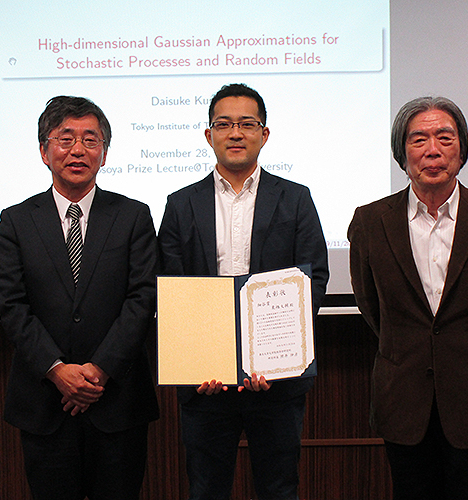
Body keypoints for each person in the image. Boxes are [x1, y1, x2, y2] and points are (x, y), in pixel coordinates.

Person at [348, 96, 468, 500]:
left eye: (444, 137)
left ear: (461, 149)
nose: (433, 150)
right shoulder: (370, 222)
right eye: (419, 139)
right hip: (403, 397)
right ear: (402, 153)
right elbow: (371, 305)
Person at [157, 83, 329, 500]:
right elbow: (170, 286)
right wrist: (197, 362)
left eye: (247, 124)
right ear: (208, 135)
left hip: (276, 383)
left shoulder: (296, 199)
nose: (236, 133)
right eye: (224, 124)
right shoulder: (181, 204)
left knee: (279, 489)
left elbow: (315, 280)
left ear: (264, 134)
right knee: (206, 490)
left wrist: (277, 356)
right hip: (204, 386)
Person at [0, 96, 159, 500]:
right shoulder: (16, 220)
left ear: (104, 153)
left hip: (117, 401)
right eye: (65, 139)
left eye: (90, 139)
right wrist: (57, 370)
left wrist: (99, 370)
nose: (78, 150)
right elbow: (11, 304)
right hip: (44, 401)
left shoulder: (133, 216)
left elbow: (143, 298)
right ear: (43, 151)